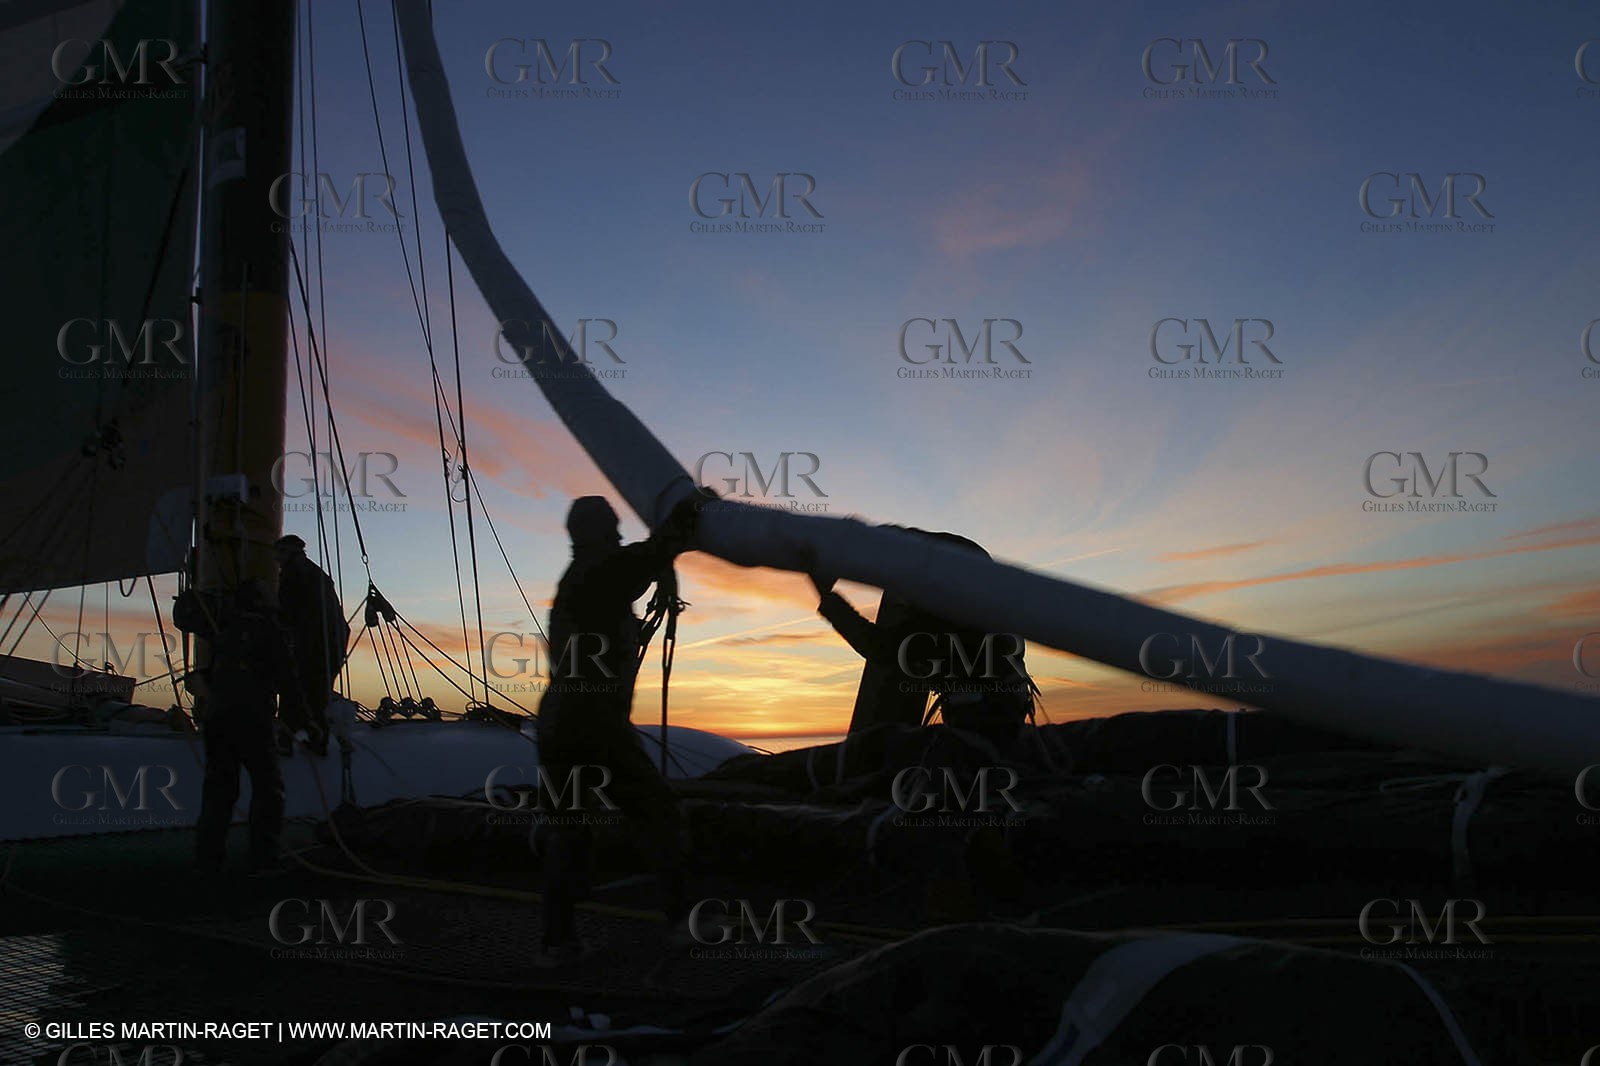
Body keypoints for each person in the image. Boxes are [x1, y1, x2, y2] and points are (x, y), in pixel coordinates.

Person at [535, 492, 703, 966]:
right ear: (597, 532)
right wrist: (691, 507)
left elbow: (647, 559)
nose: (618, 531)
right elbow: (655, 550)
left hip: (560, 725)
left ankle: (558, 943)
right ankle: (682, 923)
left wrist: (662, 565)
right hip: (593, 724)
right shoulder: (600, 571)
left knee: (569, 830)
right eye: (611, 525)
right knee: (659, 811)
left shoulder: (580, 579)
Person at [810, 530, 1036, 750]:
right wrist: (856, 542)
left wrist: (827, 598)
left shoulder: (947, 624)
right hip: (1006, 715)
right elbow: (908, 541)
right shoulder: (990, 609)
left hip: (983, 728)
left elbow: (878, 647)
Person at [189, 579, 303, 873]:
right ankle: (263, 858)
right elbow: (289, 679)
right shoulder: (269, 631)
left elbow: (211, 676)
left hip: (218, 719)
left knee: (219, 790)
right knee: (268, 788)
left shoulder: (223, 633)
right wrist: (308, 721)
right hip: (252, 719)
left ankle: (208, 860)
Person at [272, 534, 349, 755]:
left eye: (279, 554)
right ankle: (317, 741)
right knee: (316, 696)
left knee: (294, 691)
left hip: (310, 647)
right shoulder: (316, 574)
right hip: (329, 647)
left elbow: (288, 613)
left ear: (287, 553)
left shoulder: (294, 575)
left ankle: (286, 741)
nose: (276, 560)